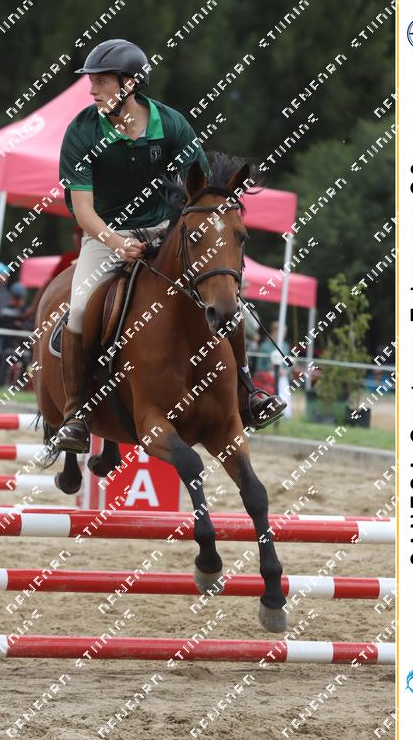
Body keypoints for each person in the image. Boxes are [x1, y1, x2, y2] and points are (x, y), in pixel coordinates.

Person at [55, 39, 285, 452]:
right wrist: (115, 241)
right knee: (80, 308)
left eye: (101, 81)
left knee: (226, 296)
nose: (92, 90)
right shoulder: (82, 131)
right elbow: (83, 209)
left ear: (129, 83)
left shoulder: (172, 125)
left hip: (165, 229)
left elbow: (198, 192)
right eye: (92, 81)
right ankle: (75, 414)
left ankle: (248, 393)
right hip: (106, 234)